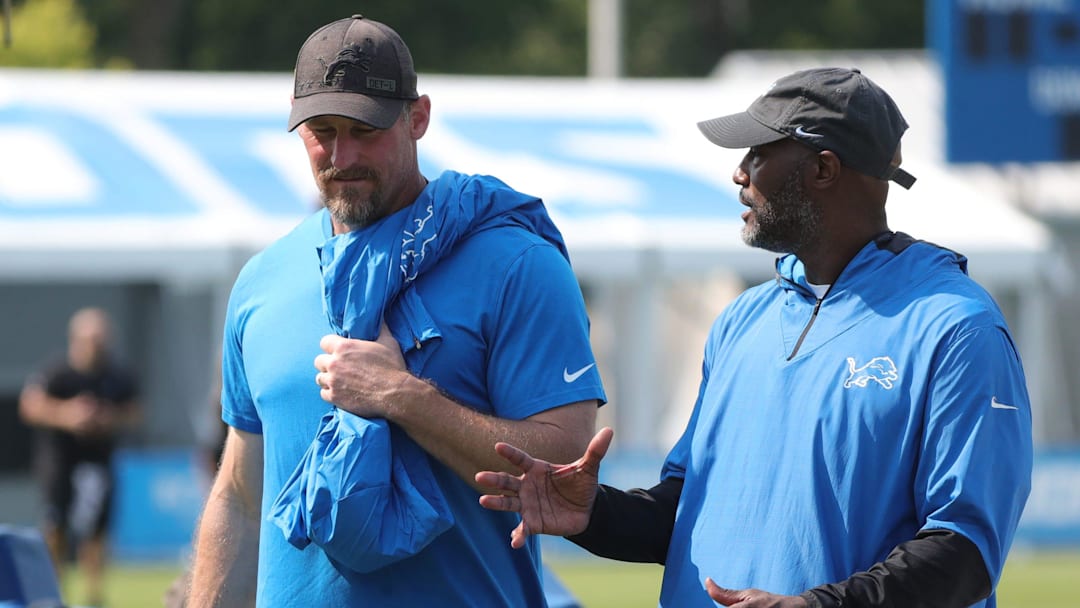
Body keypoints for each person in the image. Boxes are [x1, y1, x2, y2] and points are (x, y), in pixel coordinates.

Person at [475, 67, 1033, 608]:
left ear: (823, 169)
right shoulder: (742, 319)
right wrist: (594, 513)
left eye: (759, 153)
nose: (740, 173)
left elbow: (967, 551)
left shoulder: (955, 326)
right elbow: (686, 510)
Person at [187, 14, 604, 607]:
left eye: (365, 128)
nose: (341, 153)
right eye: (321, 130)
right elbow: (239, 494)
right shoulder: (262, 282)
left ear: (418, 118)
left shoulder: (517, 264)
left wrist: (405, 400)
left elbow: (564, 466)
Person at [18, 307, 141, 608]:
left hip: (98, 464)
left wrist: (107, 419)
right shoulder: (56, 373)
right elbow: (30, 406)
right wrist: (67, 415)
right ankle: (53, 592)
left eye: (102, 339)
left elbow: (135, 413)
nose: (96, 346)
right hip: (60, 463)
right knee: (55, 527)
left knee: (96, 532)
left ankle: (93, 596)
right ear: (76, 339)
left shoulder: (117, 375)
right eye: (91, 339)